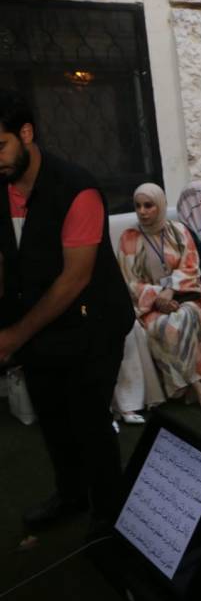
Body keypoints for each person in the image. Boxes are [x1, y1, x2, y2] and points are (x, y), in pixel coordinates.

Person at [0, 89, 134, 534]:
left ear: (26, 133)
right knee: (53, 416)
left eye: (0, 146)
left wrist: (14, 336)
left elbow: (73, 279)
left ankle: (109, 512)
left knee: (89, 419)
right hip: (39, 325)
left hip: (93, 324)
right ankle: (71, 495)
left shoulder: (76, 189)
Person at [119, 183, 201, 408]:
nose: (142, 211)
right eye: (138, 206)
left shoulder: (178, 230)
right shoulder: (129, 238)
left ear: (160, 205)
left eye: (148, 205)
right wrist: (159, 296)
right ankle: (197, 385)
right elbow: (131, 281)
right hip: (151, 306)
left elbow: (191, 266)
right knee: (169, 326)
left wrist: (171, 290)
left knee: (186, 316)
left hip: (185, 296)